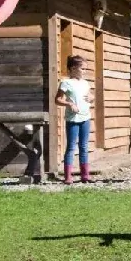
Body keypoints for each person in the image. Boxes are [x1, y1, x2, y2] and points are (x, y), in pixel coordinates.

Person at [55, 55, 94, 184]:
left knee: (84, 146)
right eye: (82, 69)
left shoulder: (85, 83)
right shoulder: (66, 83)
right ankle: (68, 176)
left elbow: (89, 95)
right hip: (73, 119)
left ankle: (85, 175)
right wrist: (70, 104)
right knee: (71, 147)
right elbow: (58, 99)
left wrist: (91, 98)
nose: (84, 71)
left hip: (85, 117)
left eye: (85, 69)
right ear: (73, 68)